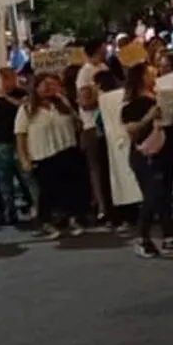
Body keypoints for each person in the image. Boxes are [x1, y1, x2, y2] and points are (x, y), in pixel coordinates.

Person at [121, 62, 173, 258]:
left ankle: (169, 235)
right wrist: (149, 118)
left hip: (165, 151)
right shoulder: (134, 103)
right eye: (151, 73)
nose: (155, 76)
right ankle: (142, 237)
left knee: (165, 196)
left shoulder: (158, 97)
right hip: (147, 155)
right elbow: (131, 130)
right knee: (152, 196)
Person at [14, 73, 88, 240]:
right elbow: (20, 135)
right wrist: (24, 159)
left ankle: (72, 218)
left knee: (70, 188)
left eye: (52, 84)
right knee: (48, 191)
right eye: (44, 84)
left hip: (66, 150)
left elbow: (77, 122)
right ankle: (46, 221)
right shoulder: (27, 109)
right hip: (43, 154)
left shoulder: (62, 103)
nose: (48, 88)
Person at [0, 68, 35, 226]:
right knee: (4, 181)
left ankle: (35, 207)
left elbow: (24, 107)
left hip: (17, 141)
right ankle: (9, 211)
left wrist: (5, 97)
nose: (5, 82)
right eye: (2, 79)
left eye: (8, 78)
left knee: (26, 177)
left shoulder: (20, 94)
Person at [75, 39, 111, 225]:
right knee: (97, 168)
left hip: (109, 124)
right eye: (103, 48)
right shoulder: (86, 73)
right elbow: (84, 103)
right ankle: (102, 207)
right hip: (93, 126)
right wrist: (103, 100)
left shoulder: (104, 67)